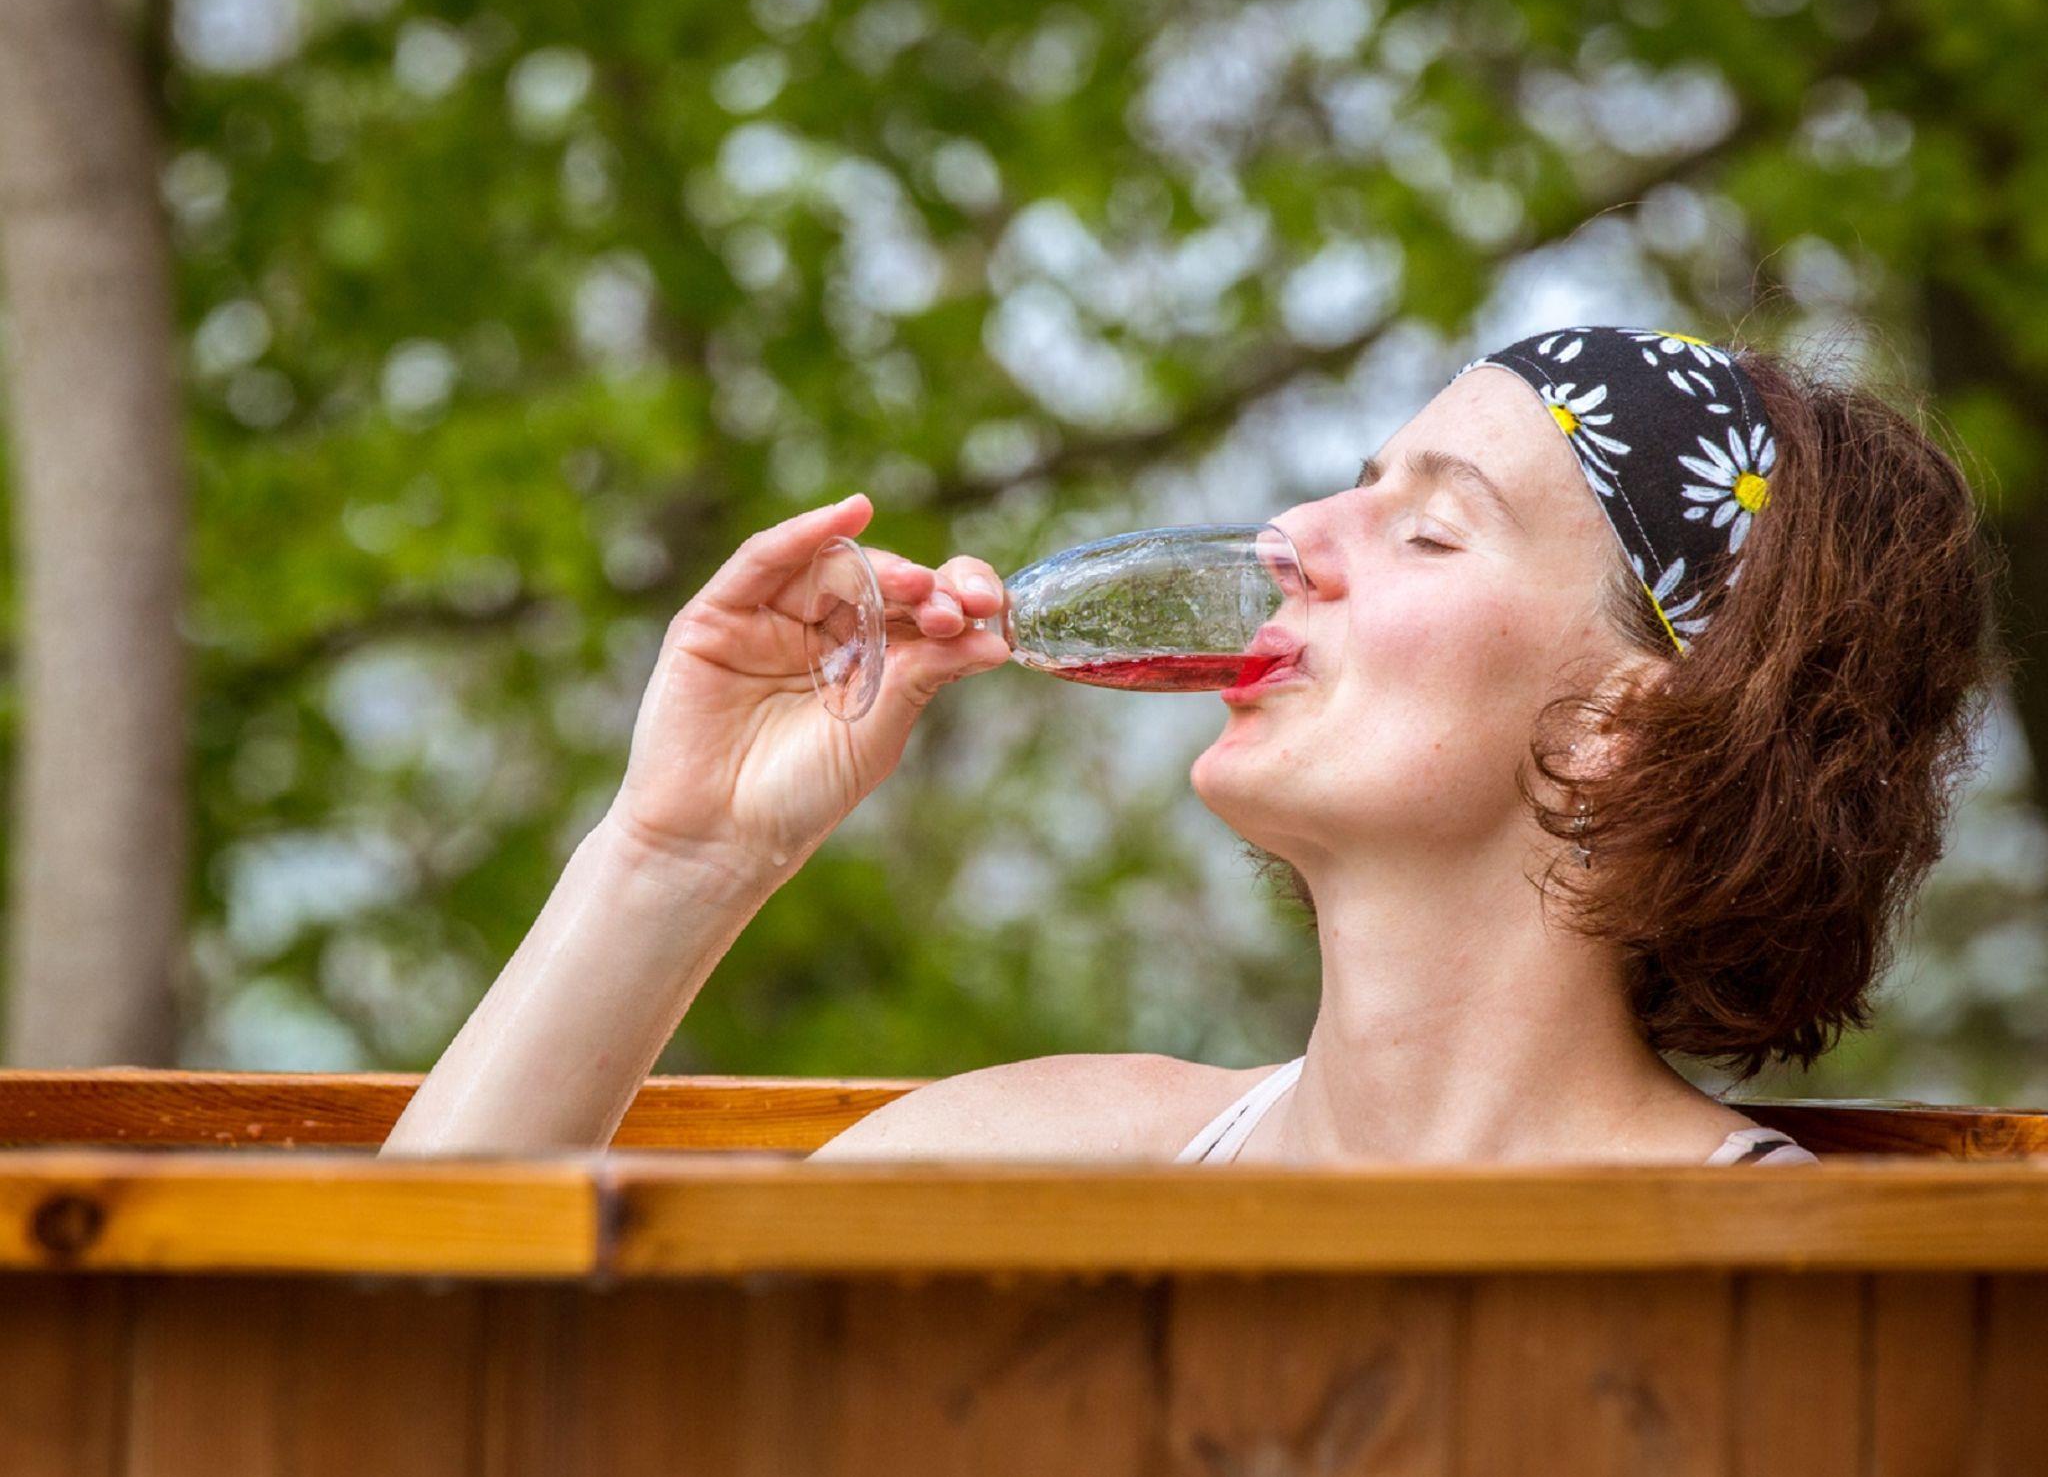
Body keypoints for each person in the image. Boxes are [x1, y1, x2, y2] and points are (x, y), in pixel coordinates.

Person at [379, 325, 2000, 1165]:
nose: (1290, 535)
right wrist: (680, 851)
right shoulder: (1021, 1163)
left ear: (1623, 735)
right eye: (1352, 485)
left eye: (1430, 530)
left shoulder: (1807, 1298)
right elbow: (408, 1374)